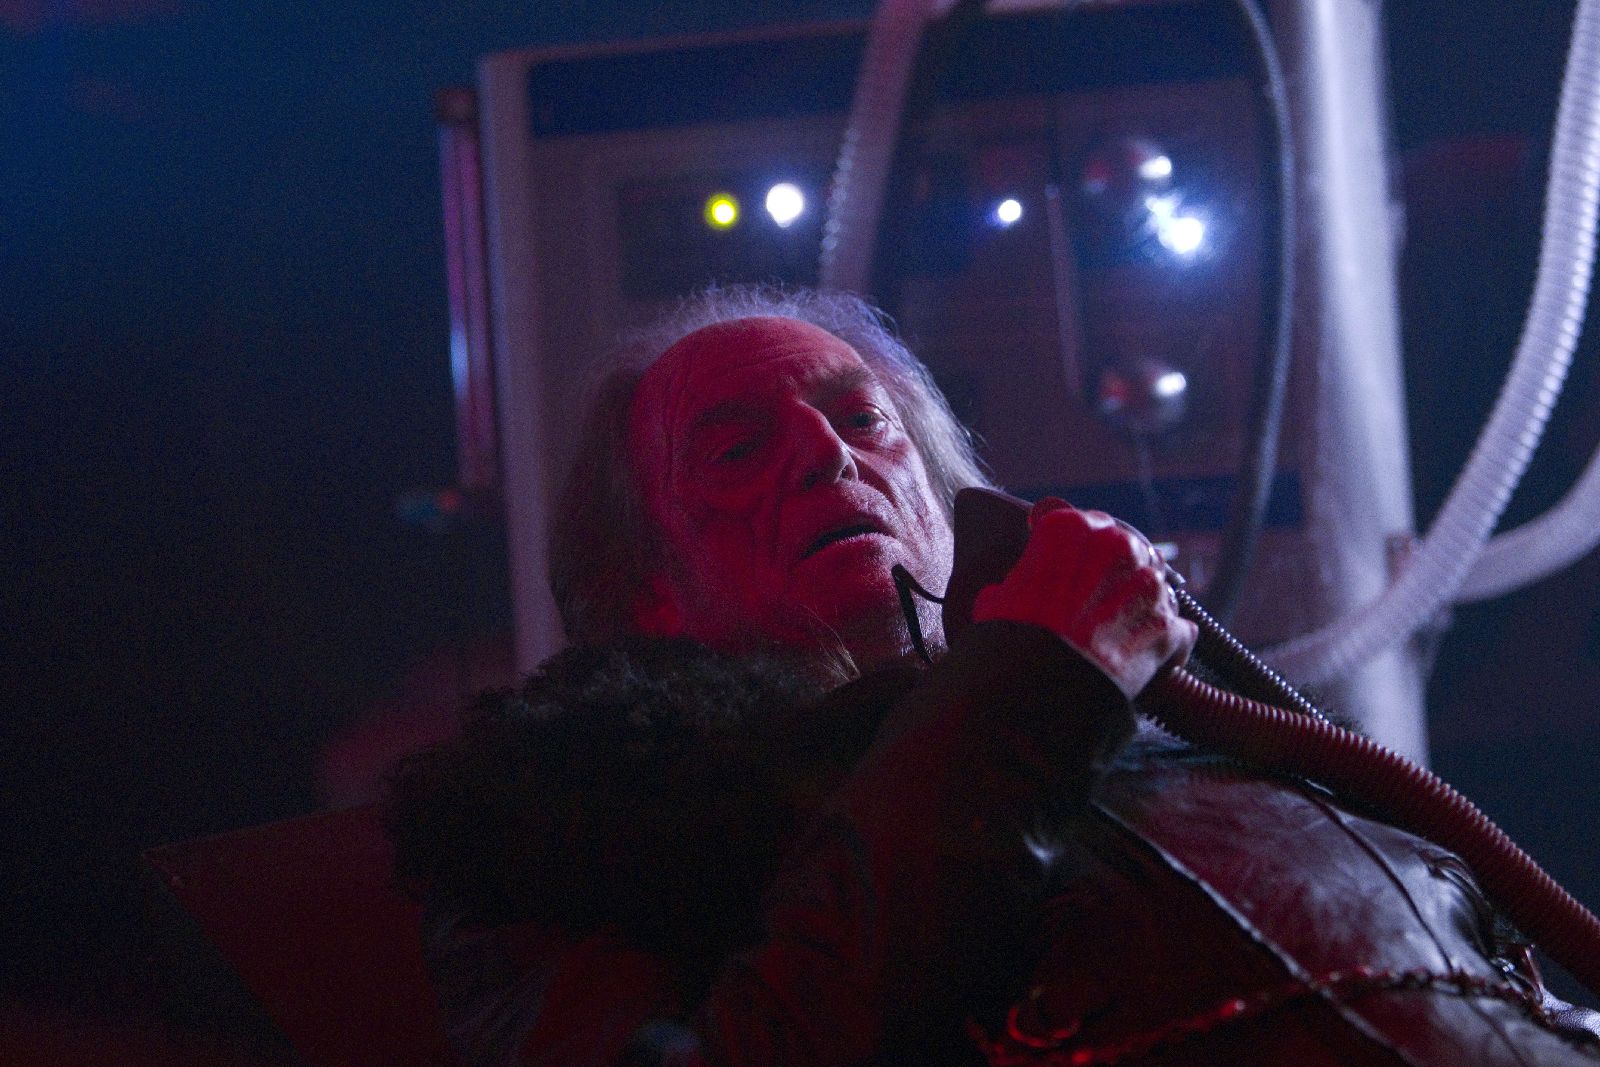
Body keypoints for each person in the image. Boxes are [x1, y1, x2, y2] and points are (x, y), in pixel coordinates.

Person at [387, 286, 1600, 1066]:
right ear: (646, 587)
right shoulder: (569, 828)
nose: (822, 454)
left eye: (864, 422)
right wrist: (1038, 683)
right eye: (738, 448)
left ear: (947, 497)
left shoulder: (1170, 730)